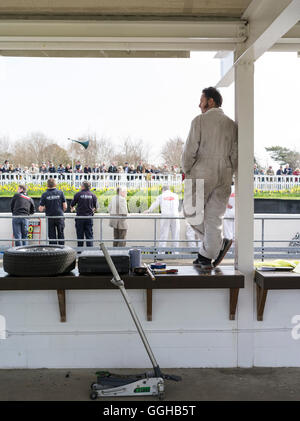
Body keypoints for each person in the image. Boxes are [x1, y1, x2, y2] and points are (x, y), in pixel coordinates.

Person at [182, 86, 238, 269]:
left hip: (202, 173)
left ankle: (217, 245)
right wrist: (231, 173)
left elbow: (189, 150)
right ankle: (206, 255)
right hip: (225, 175)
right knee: (214, 218)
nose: (199, 104)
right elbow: (236, 154)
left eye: (202, 100)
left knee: (191, 213)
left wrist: (187, 170)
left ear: (211, 101)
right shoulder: (232, 124)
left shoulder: (199, 121)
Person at [144, 186, 180, 250]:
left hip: (165, 215)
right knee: (175, 235)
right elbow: (177, 205)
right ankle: (175, 252)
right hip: (175, 215)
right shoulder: (176, 196)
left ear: (163, 190)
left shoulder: (161, 196)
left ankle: (161, 252)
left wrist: (149, 210)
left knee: (163, 234)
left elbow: (155, 204)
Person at [70, 181, 98, 250]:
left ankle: (79, 253)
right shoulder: (93, 195)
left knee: (80, 237)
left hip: (80, 218)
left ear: (82, 186)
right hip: (89, 218)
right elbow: (96, 207)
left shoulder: (78, 194)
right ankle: (90, 254)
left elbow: (72, 205)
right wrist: (92, 210)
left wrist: (72, 209)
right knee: (89, 236)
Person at [39, 178, 67, 245]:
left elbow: (40, 209)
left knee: (51, 235)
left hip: (50, 217)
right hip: (59, 216)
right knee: (61, 233)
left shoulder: (44, 194)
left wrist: (47, 206)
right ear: (55, 184)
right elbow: (65, 206)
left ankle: (53, 250)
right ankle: (62, 250)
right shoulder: (60, 193)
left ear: (47, 185)